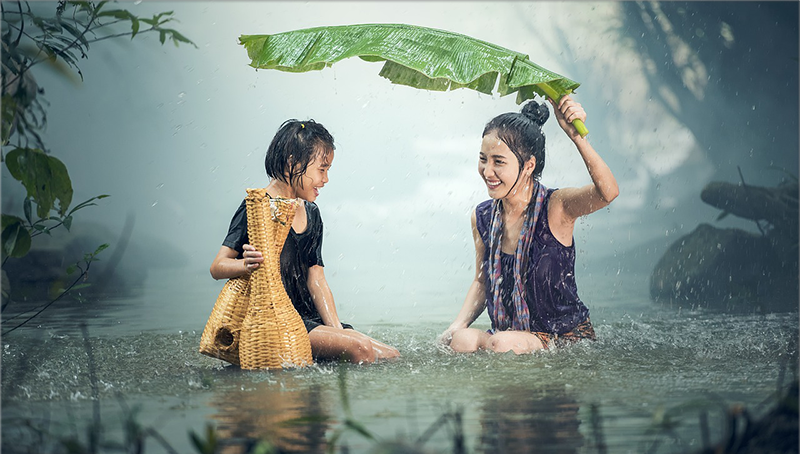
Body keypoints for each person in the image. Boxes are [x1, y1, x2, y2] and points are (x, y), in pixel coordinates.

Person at [437, 95, 619, 354]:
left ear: (528, 166)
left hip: (564, 338)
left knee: (502, 343)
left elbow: (608, 192)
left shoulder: (556, 207)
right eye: (483, 159)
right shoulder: (483, 217)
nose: (487, 172)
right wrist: (457, 325)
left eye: (498, 162)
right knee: (462, 340)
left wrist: (577, 137)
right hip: (510, 336)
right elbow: (482, 281)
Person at [210, 119, 400, 364]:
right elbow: (217, 267)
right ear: (293, 162)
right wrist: (244, 265)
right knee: (361, 348)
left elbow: (316, 279)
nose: (326, 179)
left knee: (389, 355)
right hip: (279, 322)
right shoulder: (258, 208)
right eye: (322, 169)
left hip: (310, 320)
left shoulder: (311, 212)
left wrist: (337, 330)